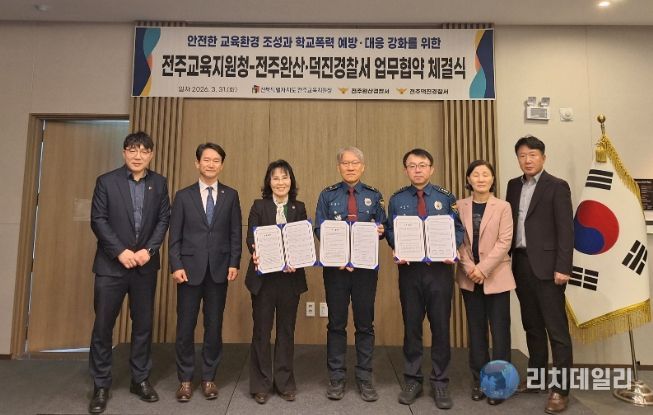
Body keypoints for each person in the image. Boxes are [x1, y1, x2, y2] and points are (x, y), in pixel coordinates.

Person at [88, 131, 170, 414]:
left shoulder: (159, 183)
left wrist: (150, 250)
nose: (138, 156)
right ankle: (101, 384)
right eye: (133, 150)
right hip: (111, 266)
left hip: (145, 266)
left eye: (144, 151)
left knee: (143, 325)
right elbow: (98, 220)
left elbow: (163, 219)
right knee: (103, 326)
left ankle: (140, 379)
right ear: (124, 153)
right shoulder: (106, 182)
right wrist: (120, 251)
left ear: (151, 154)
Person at [386, 148, 464, 410]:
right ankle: (412, 379)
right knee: (412, 326)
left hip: (439, 272)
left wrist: (452, 248)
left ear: (431, 169)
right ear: (406, 170)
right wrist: (396, 246)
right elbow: (390, 229)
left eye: (422, 165)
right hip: (410, 272)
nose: (417, 170)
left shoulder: (446, 197)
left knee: (440, 326)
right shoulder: (397, 199)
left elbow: (458, 229)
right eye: (412, 165)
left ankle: (440, 381)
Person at [168, 142, 242, 403]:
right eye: (206, 160)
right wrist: (176, 265)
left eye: (216, 160)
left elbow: (235, 232)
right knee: (185, 326)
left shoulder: (230, 195)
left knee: (213, 325)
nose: (211, 164)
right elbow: (174, 236)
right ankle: (185, 380)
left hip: (219, 270)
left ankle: (209, 377)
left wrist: (234, 262)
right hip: (188, 271)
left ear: (222, 165)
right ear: (197, 163)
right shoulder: (183, 196)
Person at [505, 135, 573, 414]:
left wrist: (563, 267)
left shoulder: (557, 186)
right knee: (531, 326)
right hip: (520, 264)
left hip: (549, 268)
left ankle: (561, 389)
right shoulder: (512, 185)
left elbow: (566, 230)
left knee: (556, 331)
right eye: (522, 155)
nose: (527, 160)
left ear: (543, 157)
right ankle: (537, 379)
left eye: (533, 155)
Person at [315, 146, 386, 402]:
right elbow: (319, 228)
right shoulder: (327, 195)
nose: (350, 167)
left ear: (362, 167)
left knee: (365, 324)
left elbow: (383, 226)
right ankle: (336, 378)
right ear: (339, 167)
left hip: (365, 270)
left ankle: (365, 377)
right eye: (345, 163)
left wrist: (380, 230)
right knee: (336, 324)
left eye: (355, 163)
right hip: (336, 270)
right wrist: (338, 255)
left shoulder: (374, 195)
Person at [245, 160, 309, 404]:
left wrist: (297, 259)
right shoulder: (258, 206)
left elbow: (302, 239)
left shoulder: (299, 207)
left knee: (286, 331)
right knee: (261, 331)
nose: (280, 182)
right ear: (268, 182)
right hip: (264, 279)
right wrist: (255, 251)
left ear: (291, 181)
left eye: (285, 177)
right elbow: (251, 237)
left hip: (290, 279)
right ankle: (260, 384)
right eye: (275, 178)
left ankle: (284, 383)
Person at [455, 160, 515, 405]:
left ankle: (499, 384)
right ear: (468, 179)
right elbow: (457, 240)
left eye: (485, 174)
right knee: (476, 331)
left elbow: (505, 241)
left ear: (492, 179)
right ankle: (480, 381)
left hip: (496, 276)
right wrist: (470, 267)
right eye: (476, 175)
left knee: (500, 332)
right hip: (469, 277)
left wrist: (483, 269)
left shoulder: (503, 206)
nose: (480, 179)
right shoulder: (459, 205)